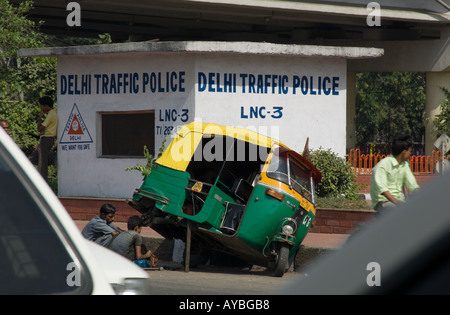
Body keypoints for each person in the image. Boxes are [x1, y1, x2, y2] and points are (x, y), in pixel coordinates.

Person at [370, 135, 420, 213]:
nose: (411, 154)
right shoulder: (383, 165)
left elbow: (413, 185)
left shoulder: (405, 165)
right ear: (404, 152)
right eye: (410, 151)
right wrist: (397, 202)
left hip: (399, 201)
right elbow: (383, 190)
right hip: (384, 202)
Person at [28, 96, 58, 182]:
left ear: (46, 106)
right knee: (30, 159)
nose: (41, 108)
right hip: (46, 139)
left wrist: (40, 117)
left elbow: (39, 128)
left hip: (47, 139)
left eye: (41, 106)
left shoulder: (51, 114)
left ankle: (42, 181)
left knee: (42, 162)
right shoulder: (53, 113)